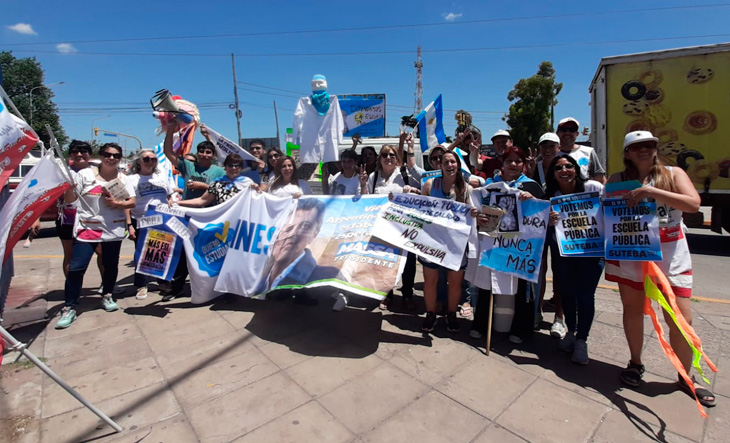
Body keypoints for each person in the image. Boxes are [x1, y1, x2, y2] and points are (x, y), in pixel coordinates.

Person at [606, 130, 715, 407]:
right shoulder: (618, 179)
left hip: (670, 254)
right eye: (637, 146)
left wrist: (652, 191)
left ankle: (685, 375)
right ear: (627, 152)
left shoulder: (673, 173)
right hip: (632, 252)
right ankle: (635, 363)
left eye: (649, 145)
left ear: (656, 148)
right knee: (632, 309)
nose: (644, 150)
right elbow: (605, 212)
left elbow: (693, 203)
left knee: (680, 318)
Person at [55, 143, 136, 329]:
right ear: (101, 155)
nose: (111, 158)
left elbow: (132, 202)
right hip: (87, 228)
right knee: (76, 267)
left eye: (116, 155)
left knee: (110, 266)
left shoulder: (123, 178)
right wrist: (69, 187)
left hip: (112, 230)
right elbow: (70, 200)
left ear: (120, 158)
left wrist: (116, 204)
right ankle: (70, 306)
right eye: (107, 154)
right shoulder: (85, 174)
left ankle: (107, 295)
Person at [469, 146, 545, 343]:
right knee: (487, 284)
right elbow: (479, 209)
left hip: (520, 247)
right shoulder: (491, 187)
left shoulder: (532, 186)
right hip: (495, 243)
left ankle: (521, 329)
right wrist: (477, 217)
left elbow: (542, 214)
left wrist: (533, 200)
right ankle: (481, 324)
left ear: (524, 165)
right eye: (508, 161)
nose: (513, 164)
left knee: (522, 288)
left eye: (517, 161)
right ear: (501, 165)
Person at [544, 155, 605, 364]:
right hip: (565, 253)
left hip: (591, 253)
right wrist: (549, 220)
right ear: (553, 173)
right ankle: (571, 331)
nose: (564, 170)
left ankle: (582, 340)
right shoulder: (552, 195)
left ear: (576, 169)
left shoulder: (593, 187)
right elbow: (541, 223)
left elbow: (611, 210)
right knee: (567, 293)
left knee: (586, 296)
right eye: (558, 167)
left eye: (568, 166)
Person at [163, 125, 226, 301]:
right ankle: (177, 287)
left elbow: (225, 189)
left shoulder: (219, 171)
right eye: (202, 151)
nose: (205, 155)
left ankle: (216, 288)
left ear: (213, 155)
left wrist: (204, 186)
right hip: (187, 216)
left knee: (209, 252)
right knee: (181, 253)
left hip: (209, 217)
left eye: (209, 152)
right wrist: (170, 130)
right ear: (198, 153)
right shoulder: (188, 166)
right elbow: (168, 152)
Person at [420, 151, 476, 332]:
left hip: (456, 244)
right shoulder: (430, 185)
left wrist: (473, 213)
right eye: (446, 162)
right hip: (432, 241)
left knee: (455, 282)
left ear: (458, 165)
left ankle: (452, 314)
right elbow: (419, 209)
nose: (450, 165)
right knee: (430, 281)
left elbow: (472, 215)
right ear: (440, 166)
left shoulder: (467, 189)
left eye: (453, 162)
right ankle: (430, 313)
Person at [360, 144, 420, 311]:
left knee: (408, 263)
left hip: (404, 227)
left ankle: (407, 294)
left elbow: (421, 194)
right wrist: (364, 184)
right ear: (380, 158)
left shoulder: (404, 175)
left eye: (392, 155)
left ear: (397, 158)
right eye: (385, 155)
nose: (388, 158)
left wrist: (412, 191)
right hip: (382, 228)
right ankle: (386, 294)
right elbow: (367, 200)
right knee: (384, 262)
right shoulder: (373, 176)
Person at [257, 198, 341, 293]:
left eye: (305, 226)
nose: (293, 234)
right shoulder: (256, 268)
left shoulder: (327, 277)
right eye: (288, 227)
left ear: (314, 234)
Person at [126, 149, 174, 300]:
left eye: (153, 159)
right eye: (146, 159)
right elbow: (127, 203)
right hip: (140, 220)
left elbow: (169, 195)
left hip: (161, 220)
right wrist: (129, 225)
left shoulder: (162, 176)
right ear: (138, 162)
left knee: (161, 252)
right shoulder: (131, 179)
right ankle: (141, 285)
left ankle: (163, 281)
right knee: (141, 253)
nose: (150, 162)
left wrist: (171, 201)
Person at [177, 154, 257, 207]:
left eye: (237, 166)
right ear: (225, 167)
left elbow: (257, 201)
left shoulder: (248, 183)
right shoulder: (217, 183)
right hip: (223, 222)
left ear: (241, 168)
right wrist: (179, 203)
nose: (233, 168)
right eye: (230, 165)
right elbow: (202, 200)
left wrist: (257, 190)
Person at [556, 117, 606, 183]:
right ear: (557, 133)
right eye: (563, 129)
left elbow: (600, 179)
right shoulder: (551, 154)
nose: (567, 133)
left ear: (577, 134)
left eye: (572, 130)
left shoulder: (588, 152)